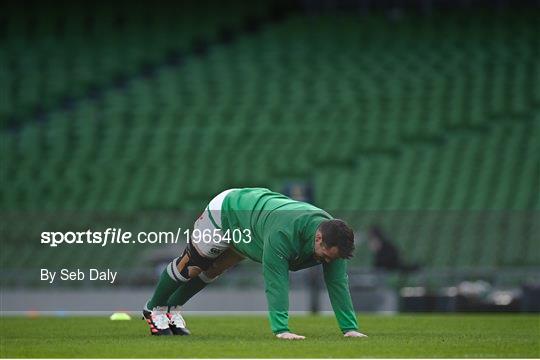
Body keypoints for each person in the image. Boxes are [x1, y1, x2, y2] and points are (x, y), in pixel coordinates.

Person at [143, 188, 367, 340]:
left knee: (214, 270)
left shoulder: (333, 239)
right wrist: (282, 330)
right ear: (318, 238)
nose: (328, 261)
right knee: (192, 266)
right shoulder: (284, 234)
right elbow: (276, 281)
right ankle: (154, 309)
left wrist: (350, 329)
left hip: (253, 229)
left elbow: (337, 282)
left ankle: (172, 310)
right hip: (229, 211)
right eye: (326, 255)